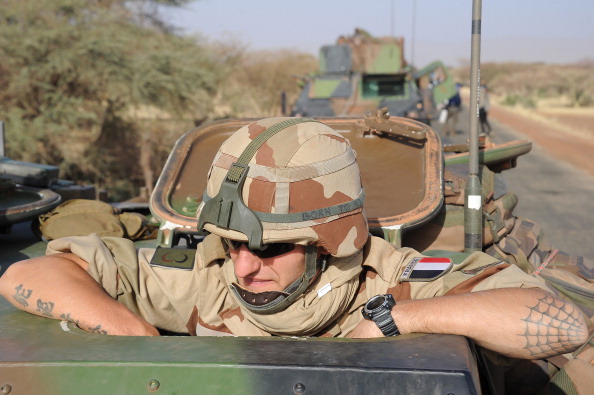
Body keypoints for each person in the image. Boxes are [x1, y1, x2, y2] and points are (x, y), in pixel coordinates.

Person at [0, 118, 587, 362]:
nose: (245, 268)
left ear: (333, 243)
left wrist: (398, 321)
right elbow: (28, 274)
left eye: (272, 248)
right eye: (232, 243)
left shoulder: (403, 276)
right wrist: (134, 333)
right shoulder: (203, 268)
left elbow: (566, 323)